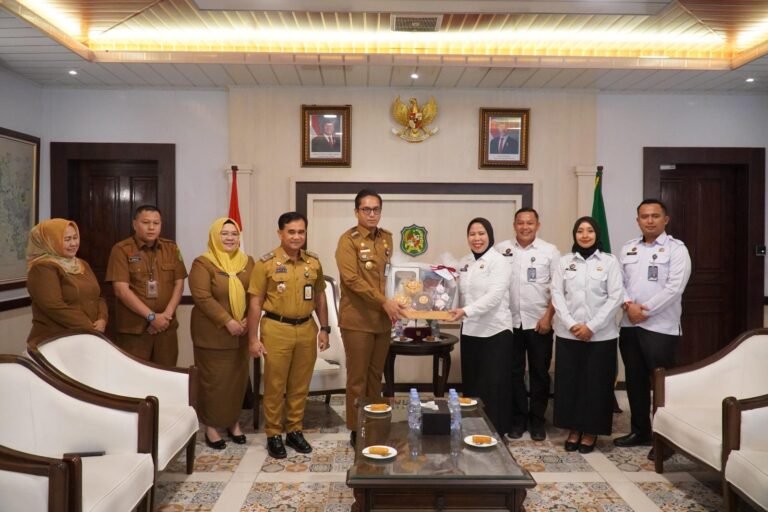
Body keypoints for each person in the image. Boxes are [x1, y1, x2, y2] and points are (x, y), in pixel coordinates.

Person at [613, 199, 691, 461]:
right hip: (630, 325)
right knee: (635, 381)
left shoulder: (677, 250)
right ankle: (640, 431)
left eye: (655, 216)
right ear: (637, 220)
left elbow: (674, 288)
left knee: (661, 385)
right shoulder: (629, 248)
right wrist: (628, 305)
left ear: (665, 219)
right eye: (644, 216)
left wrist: (643, 310)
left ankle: (665, 439)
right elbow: (618, 283)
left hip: (660, 327)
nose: (649, 220)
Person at [248, 212, 330, 459]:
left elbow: (320, 297)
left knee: (300, 385)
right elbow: (255, 303)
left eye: (301, 232)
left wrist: (324, 328)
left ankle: (294, 430)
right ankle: (274, 433)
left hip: (306, 328)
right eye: (291, 232)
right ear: (280, 233)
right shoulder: (265, 263)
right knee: (275, 385)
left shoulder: (313, 262)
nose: (296, 236)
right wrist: (253, 338)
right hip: (276, 328)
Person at [335, 189, 405, 447]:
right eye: (366, 209)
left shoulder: (386, 238)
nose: (372, 214)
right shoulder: (348, 241)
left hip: (382, 321)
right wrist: (384, 301)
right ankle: (357, 428)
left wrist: (400, 298)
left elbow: (388, 276)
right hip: (357, 320)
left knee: (376, 377)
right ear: (357, 212)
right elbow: (352, 280)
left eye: (376, 209)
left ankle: (373, 422)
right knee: (358, 378)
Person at [551, 216, 623, 453]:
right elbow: (557, 295)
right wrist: (572, 324)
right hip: (568, 335)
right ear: (574, 235)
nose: (584, 235)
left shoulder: (609, 262)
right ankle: (573, 429)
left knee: (595, 385)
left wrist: (592, 326)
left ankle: (591, 431)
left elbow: (615, 297)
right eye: (580, 231)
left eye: (589, 231)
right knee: (570, 384)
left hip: (600, 336)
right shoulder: (564, 262)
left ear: (596, 234)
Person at [189, 217, 254, 450]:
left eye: (234, 234)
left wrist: (248, 318)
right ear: (215, 237)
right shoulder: (203, 263)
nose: (230, 238)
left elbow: (255, 293)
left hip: (242, 334)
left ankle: (233, 423)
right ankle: (211, 427)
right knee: (213, 383)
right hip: (213, 335)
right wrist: (227, 321)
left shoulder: (248, 262)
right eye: (224, 234)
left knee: (236, 382)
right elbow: (202, 297)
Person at [496, 208, 560, 441]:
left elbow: (558, 288)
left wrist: (548, 317)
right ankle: (518, 419)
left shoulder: (550, 251)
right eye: (520, 223)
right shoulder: (501, 250)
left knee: (539, 373)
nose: (525, 227)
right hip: (509, 322)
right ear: (514, 225)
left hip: (539, 322)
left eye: (529, 223)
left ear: (537, 225)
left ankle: (537, 420)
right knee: (513, 373)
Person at [448, 217, 514, 435]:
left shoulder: (499, 261)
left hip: (496, 331)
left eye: (481, 233)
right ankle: (472, 430)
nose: (477, 238)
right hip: (470, 331)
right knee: (473, 385)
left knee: (494, 386)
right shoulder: (464, 262)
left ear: (490, 236)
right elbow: (457, 292)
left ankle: (496, 433)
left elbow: (494, 296)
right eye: (472, 234)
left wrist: (465, 311)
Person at [105, 205, 187, 366]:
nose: (151, 227)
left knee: (167, 373)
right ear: (135, 224)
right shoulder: (122, 250)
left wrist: (166, 316)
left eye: (156, 223)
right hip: (135, 330)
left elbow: (179, 283)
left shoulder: (171, 248)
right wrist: (151, 317)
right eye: (146, 222)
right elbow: (121, 290)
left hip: (165, 329)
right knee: (135, 376)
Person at [26, 218, 107, 344]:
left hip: (87, 336)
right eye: (67, 239)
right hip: (56, 340)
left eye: (75, 237)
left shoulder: (82, 264)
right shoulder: (42, 268)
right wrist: (88, 326)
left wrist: (102, 319)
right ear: (51, 241)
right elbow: (53, 306)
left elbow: (98, 296)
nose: (74, 243)